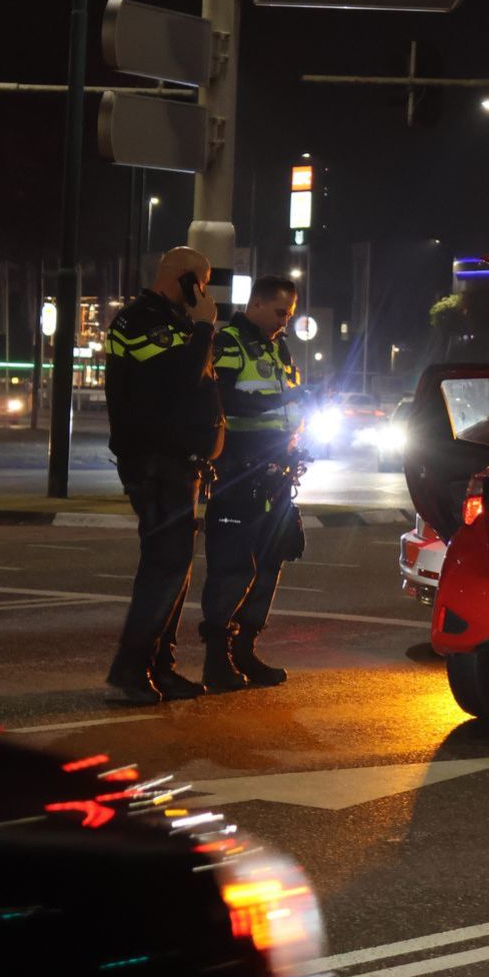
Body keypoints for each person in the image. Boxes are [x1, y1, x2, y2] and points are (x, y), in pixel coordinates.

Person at [104, 247, 224, 705]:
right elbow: (177, 382)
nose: (206, 291)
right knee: (165, 567)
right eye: (202, 280)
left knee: (175, 568)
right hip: (156, 462)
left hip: (180, 463)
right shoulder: (138, 321)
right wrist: (203, 327)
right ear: (185, 279)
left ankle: (158, 666)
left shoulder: (176, 323)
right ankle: (130, 671)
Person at [197, 275, 308, 692]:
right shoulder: (229, 343)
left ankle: (245, 649)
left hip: (276, 470)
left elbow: (289, 398)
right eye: (280, 312)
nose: (284, 322)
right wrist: (284, 401)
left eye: (290, 315)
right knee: (233, 565)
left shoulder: (278, 346)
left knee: (271, 561)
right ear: (257, 304)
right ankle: (217, 658)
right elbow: (222, 396)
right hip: (239, 469)